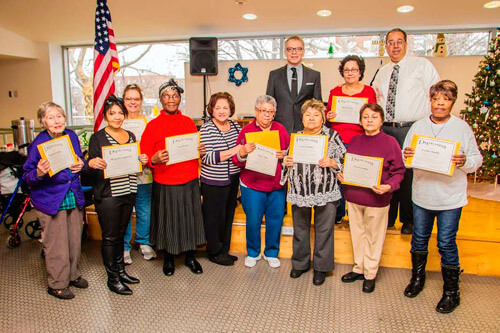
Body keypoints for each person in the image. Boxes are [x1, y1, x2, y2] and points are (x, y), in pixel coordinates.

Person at [402, 80, 482, 313]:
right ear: (431, 100)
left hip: (450, 198)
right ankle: (417, 280)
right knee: (418, 240)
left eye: (445, 100)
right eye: (436, 99)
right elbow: (405, 158)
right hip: (422, 195)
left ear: (452, 102)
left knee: (446, 243)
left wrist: (464, 161)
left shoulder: (462, 128)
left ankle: (451, 292)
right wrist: (407, 155)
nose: (440, 104)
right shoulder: (417, 127)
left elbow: (477, 160)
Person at [373, 28, 440, 234]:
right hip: (387, 128)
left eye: (399, 41)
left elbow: (436, 93)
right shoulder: (382, 72)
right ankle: (389, 218)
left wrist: (430, 126)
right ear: (386, 47)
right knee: (387, 173)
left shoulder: (422, 66)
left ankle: (409, 221)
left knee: (409, 175)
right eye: (391, 42)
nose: (395, 46)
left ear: (406, 43)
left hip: (412, 128)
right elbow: (376, 100)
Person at [140, 79, 206, 277]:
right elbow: (145, 155)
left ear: (179, 98)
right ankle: (168, 258)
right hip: (165, 180)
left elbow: (193, 148)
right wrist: (154, 158)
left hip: (189, 179)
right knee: (168, 221)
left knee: (189, 220)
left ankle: (190, 257)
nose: (171, 99)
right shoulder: (152, 126)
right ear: (161, 99)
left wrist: (199, 151)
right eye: (167, 96)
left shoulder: (188, 122)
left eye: (175, 96)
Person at [23, 102, 88, 300]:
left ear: (65, 119)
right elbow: (27, 177)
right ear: (43, 122)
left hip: (72, 195)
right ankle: (57, 283)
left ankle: (73, 275)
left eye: (59, 116)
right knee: (56, 243)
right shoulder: (38, 144)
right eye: (51, 117)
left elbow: (80, 161)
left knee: (74, 240)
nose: (56, 121)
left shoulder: (71, 136)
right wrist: (39, 173)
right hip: (51, 199)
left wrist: (81, 164)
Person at [338, 103, 405, 293]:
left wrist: (389, 186)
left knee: (374, 237)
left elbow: (399, 172)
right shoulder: (355, 140)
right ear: (360, 120)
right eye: (366, 117)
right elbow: (350, 165)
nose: (369, 120)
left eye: (374, 117)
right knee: (357, 235)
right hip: (354, 197)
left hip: (377, 199)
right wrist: (343, 175)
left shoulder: (390, 142)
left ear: (381, 120)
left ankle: (370, 273)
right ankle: (359, 267)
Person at [87, 95, 149, 295]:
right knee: (110, 237)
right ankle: (112, 278)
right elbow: (90, 170)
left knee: (122, 234)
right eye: (112, 113)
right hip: (108, 194)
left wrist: (141, 159)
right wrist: (93, 163)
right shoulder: (97, 137)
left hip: (128, 189)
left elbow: (133, 163)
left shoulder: (130, 135)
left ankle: (121, 271)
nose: (117, 116)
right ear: (105, 115)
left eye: (120, 113)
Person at [282, 99, 345, 285]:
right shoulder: (297, 137)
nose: (311, 118)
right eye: (307, 115)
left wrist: (332, 163)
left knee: (324, 230)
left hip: (325, 191)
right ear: (302, 118)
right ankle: (300, 264)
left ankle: (321, 268)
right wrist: (286, 161)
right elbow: (287, 158)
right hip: (300, 191)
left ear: (323, 118)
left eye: (316, 115)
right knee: (300, 229)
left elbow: (343, 159)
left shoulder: (332, 136)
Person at [232, 95, 290, 268]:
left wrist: (284, 155)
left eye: (271, 112)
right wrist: (242, 152)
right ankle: (253, 252)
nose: (267, 115)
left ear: (274, 114)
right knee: (253, 220)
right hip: (252, 185)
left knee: (275, 219)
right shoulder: (246, 131)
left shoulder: (281, 129)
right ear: (256, 111)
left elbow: (289, 154)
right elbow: (236, 160)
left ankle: (272, 252)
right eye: (264, 111)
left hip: (275, 185)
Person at [326, 55, 377, 223]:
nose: (350, 73)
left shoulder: (369, 92)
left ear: (360, 72)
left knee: (356, 176)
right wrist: (329, 115)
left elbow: (374, 116)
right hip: (337, 141)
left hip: (360, 140)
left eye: (353, 69)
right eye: (346, 70)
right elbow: (327, 118)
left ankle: (356, 213)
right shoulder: (335, 92)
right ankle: (338, 213)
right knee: (337, 178)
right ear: (342, 72)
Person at [200, 92, 242, 266]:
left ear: (231, 109)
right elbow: (207, 158)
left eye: (225, 107)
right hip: (213, 181)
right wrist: (233, 151)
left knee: (227, 216)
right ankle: (214, 252)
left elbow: (242, 153)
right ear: (212, 109)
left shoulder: (235, 127)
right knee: (213, 218)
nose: (222, 111)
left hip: (232, 179)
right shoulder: (206, 128)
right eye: (218, 108)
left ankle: (225, 249)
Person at [121, 84, 157, 264]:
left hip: (144, 172)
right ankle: (125, 246)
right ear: (123, 101)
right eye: (129, 99)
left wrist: (148, 155)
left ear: (141, 101)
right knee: (126, 210)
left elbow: (156, 146)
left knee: (144, 208)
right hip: (122, 174)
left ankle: (144, 242)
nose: (133, 102)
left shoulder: (150, 122)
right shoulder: (116, 120)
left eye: (136, 99)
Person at [266, 35, 322, 134]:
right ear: (285, 52)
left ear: (303, 52)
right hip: (280, 129)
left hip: (306, 129)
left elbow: (318, 105)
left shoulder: (314, 75)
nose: (294, 52)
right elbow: (269, 104)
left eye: (298, 49)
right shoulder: (274, 75)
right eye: (290, 49)